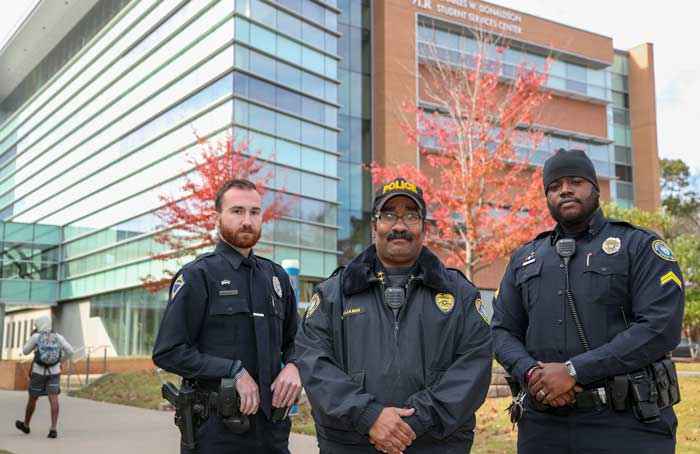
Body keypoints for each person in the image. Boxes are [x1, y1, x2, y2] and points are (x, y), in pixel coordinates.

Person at [492, 149, 685, 454]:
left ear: (596, 188)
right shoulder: (524, 258)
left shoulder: (639, 246)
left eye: (575, 181)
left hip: (627, 425)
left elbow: (660, 328)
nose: (564, 190)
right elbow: (501, 330)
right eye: (554, 187)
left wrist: (572, 371)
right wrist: (532, 373)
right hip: (543, 428)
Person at [295, 177, 493, 454]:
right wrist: (369, 416)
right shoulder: (333, 294)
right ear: (375, 225)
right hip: (351, 444)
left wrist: (417, 420)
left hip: (436, 445)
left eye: (411, 216)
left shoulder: (460, 294)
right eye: (389, 215)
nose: (399, 226)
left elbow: (475, 365)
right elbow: (313, 363)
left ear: (424, 227)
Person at [152, 178, 301, 454]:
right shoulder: (198, 276)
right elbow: (168, 351)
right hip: (217, 434)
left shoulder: (276, 277)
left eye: (254, 212)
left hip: (273, 433)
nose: (247, 220)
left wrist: (294, 366)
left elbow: (298, 341)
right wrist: (232, 370)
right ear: (217, 217)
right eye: (237, 211)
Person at [15, 315, 75, 439]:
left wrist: (33, 339)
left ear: (38, 325)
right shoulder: (58, 337)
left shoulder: (36, 337)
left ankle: (26, 425)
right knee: (54, 399)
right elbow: (71, 351)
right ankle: (53, 428)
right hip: (54, 372)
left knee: (33, 399)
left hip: (38, 372)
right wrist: (59, 361)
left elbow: (25, 351)